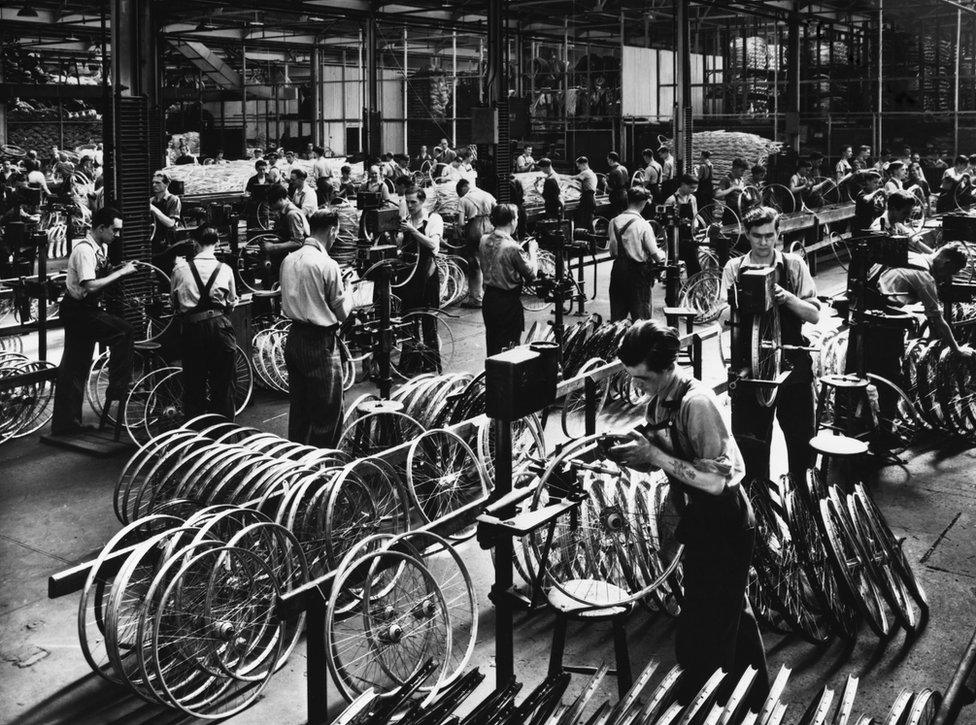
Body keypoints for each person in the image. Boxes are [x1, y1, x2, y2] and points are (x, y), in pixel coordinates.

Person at [608, 320, 768, 711]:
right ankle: (757, 692)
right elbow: (667, 457)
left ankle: (711, 703)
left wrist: (656, 456)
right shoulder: (660, 398)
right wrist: (634, 453)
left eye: (643, 377)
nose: (637, 386)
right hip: (699, 519)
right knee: (727, 608)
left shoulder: (697, 403)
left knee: (711, 624)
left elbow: (715, 483)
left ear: (666, 367)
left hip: (727, 520)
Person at [720, 206, 820, 484]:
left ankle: (802, 494)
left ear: (779, 233)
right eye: (756, 236)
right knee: (750, 449)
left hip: (792, 365)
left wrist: (786, 297)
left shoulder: (794, 265)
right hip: (749, 371)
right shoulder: (734, 268)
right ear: (746, 235)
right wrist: (741, 299)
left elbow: (813, 315)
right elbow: (721, 320)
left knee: (802, 442)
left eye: (769, 236)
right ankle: (758, 502)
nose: (763, 243)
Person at [51, 207, 137, 435]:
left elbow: (101, 275)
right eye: (114, 230)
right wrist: (121, 273)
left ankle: (67, 424)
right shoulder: (84, 251)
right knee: (124, 332)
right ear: (100, 228)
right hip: (78, 310)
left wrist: (116, 269)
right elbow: (90, 285)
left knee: (76, 366)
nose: (117, 235)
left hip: (84, 309)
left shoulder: (101, 247)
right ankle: (118, 388)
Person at [280, 209, 352, 447]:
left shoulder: (289, 259)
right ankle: (323, 473)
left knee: (300, 411)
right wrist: (349, 289)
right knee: (327, 414)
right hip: (319, 343)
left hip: (294, 339)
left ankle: (298, 467)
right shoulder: (326, 263)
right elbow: (342, 312)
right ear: (333, 230)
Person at [170, 227, 238, 420]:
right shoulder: (225, 269)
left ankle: (196, 440)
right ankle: (223, 438)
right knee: (223, 386)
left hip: (192, 329)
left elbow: (174, 304)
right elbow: (232, 302)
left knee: (194, 386)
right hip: (220, 327)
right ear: (217, 243)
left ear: (195, 244)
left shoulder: (180, 269)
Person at [479, 203, 538, 355]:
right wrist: (533, 252)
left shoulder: (484, 240)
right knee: (509, 349)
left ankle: (493, 377)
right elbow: (531, 274)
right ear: (512, 221)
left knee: (492, 344)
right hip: (507, 304)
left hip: (489, 300)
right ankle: (507, 378)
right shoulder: (513, 247)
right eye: (516, 218)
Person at [398, 187, 444, 370]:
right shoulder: (406, 220)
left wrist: (413, 231)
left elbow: (434, 246)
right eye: (407, 202)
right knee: (408, 320)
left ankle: (430, 363)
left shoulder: (433, 219)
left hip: (426, 275)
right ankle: (411, 363)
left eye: (413, 202)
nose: (409, 206)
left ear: (422, 201)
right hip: (408, 276)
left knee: (428, 320)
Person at [608, 186, 665, 322]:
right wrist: (663, 254)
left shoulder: (613, 222)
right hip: (638, 274)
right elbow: (656, 255)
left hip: (618, 271)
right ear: (644, 203)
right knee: (641, 318)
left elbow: (612, 252)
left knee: (617, 319)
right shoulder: (643, 225)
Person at [456, 178, 495, 308]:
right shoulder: (487, 194)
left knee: (474, 264)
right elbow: (497, 209)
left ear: (462, 189)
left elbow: (461, 223)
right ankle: (490, 295)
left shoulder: (464, 200)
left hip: (474, 229)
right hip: (489, 227)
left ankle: (477, 298)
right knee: (489, 262)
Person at [870, 189, 933, 254]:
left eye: (909, 213)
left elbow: (914, 239)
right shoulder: (877, 229)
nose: (908, 217)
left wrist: (933, 254)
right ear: (893, 209)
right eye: (905, 213)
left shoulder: (896, 223)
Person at [665, 174, 701, 278]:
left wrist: (695, 226)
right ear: (683, 185)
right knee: (676, 266)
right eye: (691, 187)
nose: (693, 190)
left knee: (694, 265)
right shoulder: (671, 200)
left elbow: (695, 215)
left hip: (689, 235)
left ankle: (694, 289)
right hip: (676, 236)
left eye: (695, 188)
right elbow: (667, 222)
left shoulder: (692, 198)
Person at [264, 184, 309, 258]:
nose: (269, 205)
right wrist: (271, 240)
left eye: (271, 202)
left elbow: (297, 242)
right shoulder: (282, 212)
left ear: (280, 199)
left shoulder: (292, 214)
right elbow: (285, 238)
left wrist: (273, 247)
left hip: (301, 256)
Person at [149, 171, 182, 265]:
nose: (154, 185)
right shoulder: (151, 201)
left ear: (166, 184)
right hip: (154, 242)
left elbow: (171, 223)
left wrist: (154, 210)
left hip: (168, 243)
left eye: (158, 183)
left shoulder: (173, 200)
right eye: (153, 182)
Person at [715, 157, 749, 222]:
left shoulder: (741, 180)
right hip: (731, 213)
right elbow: (717, 194)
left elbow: (747, 195)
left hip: (742, 212)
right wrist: (732, 188)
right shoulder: (726, 179)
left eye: (744, 171)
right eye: (741, 170)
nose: (743, 173)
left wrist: (746, 195)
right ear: (734, 168)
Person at [574, 156, 598, 231]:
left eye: (579, 166)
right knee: (589, 223)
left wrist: (560, 177)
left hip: (587, 200)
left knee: (585, 223)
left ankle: (590, 241)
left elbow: (573, 178)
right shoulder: (592, 173)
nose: (578, 168)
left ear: (584, 164)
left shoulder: (585, 173)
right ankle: (592, 241)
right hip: (591, 199)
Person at [606, 151, 629, 216]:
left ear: (611, 160)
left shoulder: (613, 171)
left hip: (616, 198)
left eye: (608, 159)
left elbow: (611, 188)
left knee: (617, 218)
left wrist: (605, 183)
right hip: (625, 195)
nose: (608, 161)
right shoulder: (624, 168)